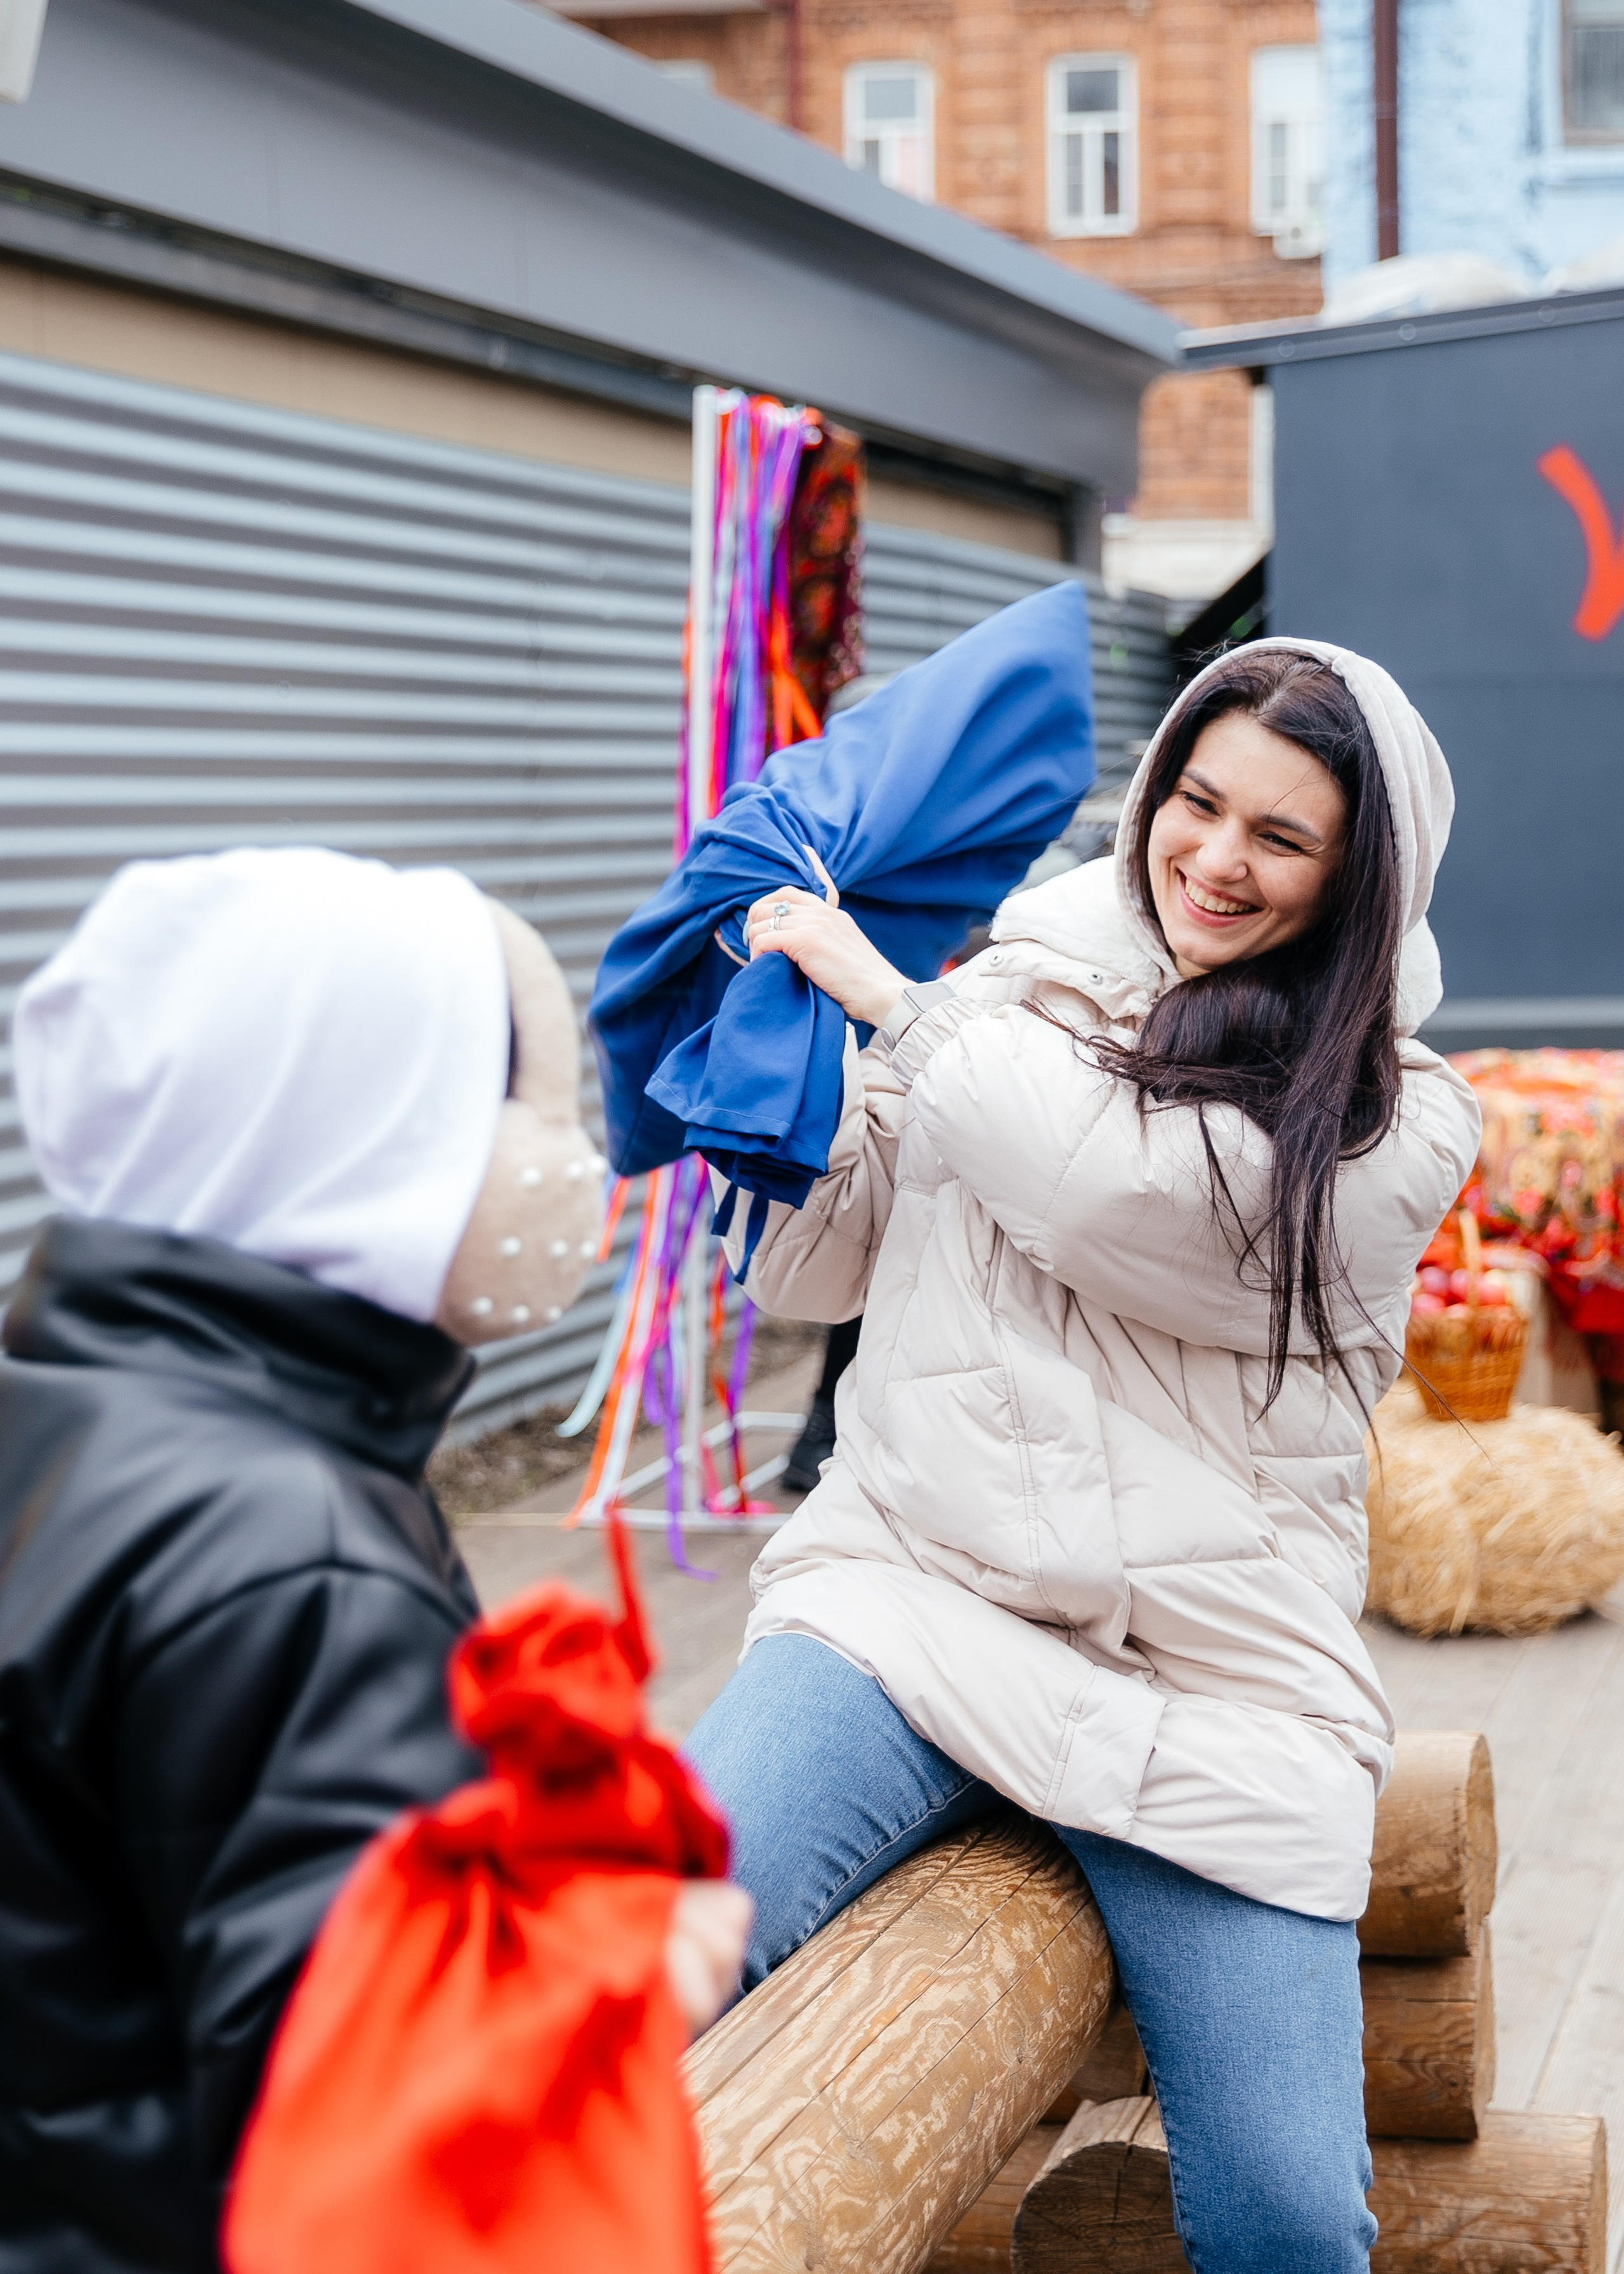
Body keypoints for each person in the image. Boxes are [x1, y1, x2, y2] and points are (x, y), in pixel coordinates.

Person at [685, 641, 1482, 2273]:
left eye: (1280, 836)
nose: (1212, 858)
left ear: (1356, 874)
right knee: (625, 1956)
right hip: (909, 1599)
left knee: (1286, 2216)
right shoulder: (1004, 984)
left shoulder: (1395, 1114)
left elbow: (1110, 1198)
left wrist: (898, 1009)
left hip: (1220, 1682)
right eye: (1194, 802)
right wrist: (803, 1091)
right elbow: (810, 1280)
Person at [0, 847, 745, 2274]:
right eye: (514, 1104)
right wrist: (614, 1966)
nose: (571, 1161)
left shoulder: (68, 1412)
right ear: (346, 1131)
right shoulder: (294, 1561)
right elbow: (412, 2161)